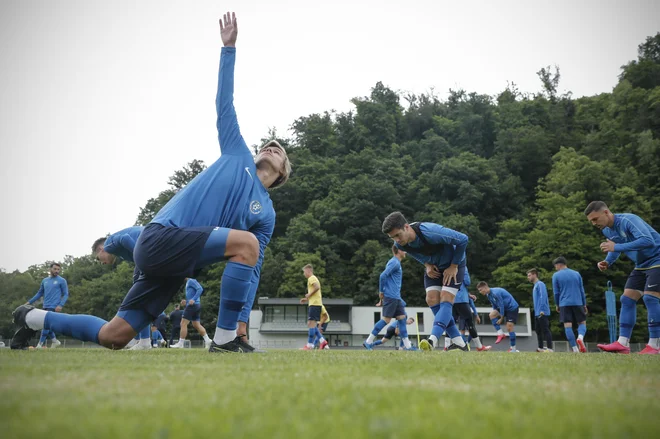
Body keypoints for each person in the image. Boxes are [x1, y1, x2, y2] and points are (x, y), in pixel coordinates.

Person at [11, 13, 292, 354]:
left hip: (174, 264)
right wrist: (228, 49)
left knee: (115, 336)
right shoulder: (237, 154)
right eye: (268, 144)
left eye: (279, 151)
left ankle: (32, 319)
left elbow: (254, 266)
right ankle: (224, 340)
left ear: (281, 174)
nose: (271, 147)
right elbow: (224, 104)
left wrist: (243, 320)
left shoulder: (266, 213)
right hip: (160, 237)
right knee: (246, 243)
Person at [381, 212, 469, 352]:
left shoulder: (430, 231)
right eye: (392, 238)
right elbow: (415, 253)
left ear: (406, 227)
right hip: (434, 266)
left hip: (454, 264)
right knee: (431, 299)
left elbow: (463, 239)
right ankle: (461, 343)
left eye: (398, 235)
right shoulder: (401, 245)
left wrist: (454, 266)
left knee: (446, 298)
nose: (396, 240)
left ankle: (431, 341)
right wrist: (426, 264)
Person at [584, 201, 660, 354]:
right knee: (626, 299)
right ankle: (622, 343)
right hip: (642, 264)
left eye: (595, 219)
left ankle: (655, 346)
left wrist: (615, 247)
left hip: (657, 259)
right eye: (591, 221)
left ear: (606, 212)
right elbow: (615, 248)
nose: (594, 223)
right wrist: (608, 261)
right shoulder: (607, 230)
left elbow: (647, 240)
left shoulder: (628, 220)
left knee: (650, 298)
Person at [364, 245, 415, 351]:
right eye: (403, 250)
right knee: (386, 320)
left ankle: (408, 347)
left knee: (402, 319)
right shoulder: (394, 262)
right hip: (391, 297)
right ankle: (368, 341)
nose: (405, 252)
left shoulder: (397, 263)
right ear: (399, 250)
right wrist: (381, 292)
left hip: (396, 298)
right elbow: (383, 276)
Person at [21, 263, 68, 349]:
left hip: (54, 306)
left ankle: (39, 345)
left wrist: (60, 305)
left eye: (58, 269)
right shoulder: (45, 281)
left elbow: (65, 294)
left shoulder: (62, 280)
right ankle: (55, 341)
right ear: (50, 269)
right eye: (55, 269)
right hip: (45, 305)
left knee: (45, 324)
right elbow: (39, 293)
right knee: (45, 325)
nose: (57, 271)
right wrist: (29, 302)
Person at [552, 257, 588, 353]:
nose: (555, 268)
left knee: (567, 325)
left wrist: (557, 304)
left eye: (555, 266)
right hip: (578, 302)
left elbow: (556, 293)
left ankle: (575, 349)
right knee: (582, 323)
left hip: (564, 303)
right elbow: (582, 290)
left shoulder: (556, 275)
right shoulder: (576, 274)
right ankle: (580, 337)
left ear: (559, 265)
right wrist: (584, 304)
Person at [451, 267, 490, 351]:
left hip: (450, 298)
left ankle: (447, 346)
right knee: (470, 323)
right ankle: (479, 347)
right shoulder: (462, 266)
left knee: (451, 323)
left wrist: (468, 294)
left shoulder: (446, 265)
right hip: (461, 299)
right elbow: (467, 282)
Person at [476, 282, 520, 352]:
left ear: (485, 287)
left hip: (512, 308)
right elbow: (494, 306)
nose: (480, 292)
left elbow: (501, 305)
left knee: (509, 327)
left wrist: (501, 318)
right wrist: (495, 313)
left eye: (481, 290)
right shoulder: (488, 295)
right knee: (492, 315)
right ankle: (500, 333)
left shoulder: (495, 293)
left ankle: (513, 348)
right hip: (503, 308)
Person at [172, 278, 212, 348]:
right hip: (196, 306)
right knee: (196, 324)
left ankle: (180, 344)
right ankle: (207, 340)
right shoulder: (188, 282)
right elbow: (192, 295)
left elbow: (200, 289)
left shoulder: (191, 280)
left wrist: (193, 299)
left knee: (183, 323)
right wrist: (186, 301)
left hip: (192, 306)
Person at [300, 265, 328, 350]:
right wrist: (307, 298)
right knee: (311, 324)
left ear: (308, 271)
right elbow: (316, 291)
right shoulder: (313, 278)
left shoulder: (311, 278)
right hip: (315, 303)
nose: (304, 274)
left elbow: (317, 287)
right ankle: (323, 341)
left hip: (315, 304)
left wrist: (309, 294)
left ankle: (309, 345)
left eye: (304, 272)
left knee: (311, 324)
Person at [527, 268, 553, 352]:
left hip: (542, 311)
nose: (528, 277)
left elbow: (543, 296)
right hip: (537, 312)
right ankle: (540, 348)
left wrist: (542, 309)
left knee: (545, 329)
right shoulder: (535, 286)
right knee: (538, 330)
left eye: (529, 275)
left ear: (535, 275)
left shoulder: (540, 284)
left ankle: (550, 348)